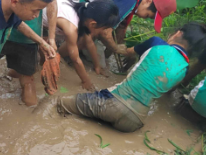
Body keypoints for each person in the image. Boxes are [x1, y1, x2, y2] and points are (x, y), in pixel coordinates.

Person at [58, 23, 206, 132]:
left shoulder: (156, 43)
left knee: (60, 104)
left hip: (112, 103)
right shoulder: (185, 69)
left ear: (178, 33)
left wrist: (119, 48)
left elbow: (128, 52)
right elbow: (166, 89)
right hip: (135, 122)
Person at [55, 0, 177, 57]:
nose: (143, 18)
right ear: (147, 2)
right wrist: (116, 48)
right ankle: (58, 58)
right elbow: (105, 32)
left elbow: (118, 26)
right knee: (89, 32)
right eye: (148, 16)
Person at [43, 0, 119, 90]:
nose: (103, 32)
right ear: (93, 24)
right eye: (103, 29)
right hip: (33, 17)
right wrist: (86, 81)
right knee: (45, 52)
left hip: (44, 17)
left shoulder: (83, 12)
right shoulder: (71, 28)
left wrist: (97, 66)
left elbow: (90, 43)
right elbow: (75, 59)